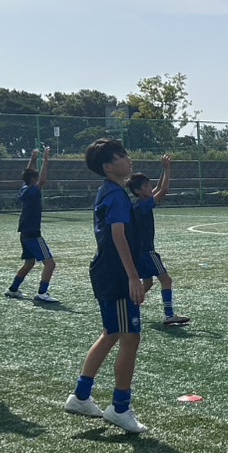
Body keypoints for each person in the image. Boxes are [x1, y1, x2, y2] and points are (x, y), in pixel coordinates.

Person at [66, 138, 149, 434]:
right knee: (130, 337)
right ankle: (120, 408)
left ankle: (81, 396)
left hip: (106, 271)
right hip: (116, 275)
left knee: (111, 333)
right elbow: (118, 236)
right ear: (108, 167)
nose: (129, 159)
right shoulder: (115, 195)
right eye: (121, 156)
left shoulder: (110, 191)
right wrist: (132, 276)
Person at [129, 156, 190, 327]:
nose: (150, 187)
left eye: (149, 185)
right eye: (146, 186)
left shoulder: (138, 204)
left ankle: (129, 305)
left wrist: (164, 169)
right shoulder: (143, 206)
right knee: (166, 280)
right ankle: (169, 315)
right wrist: (168, 169)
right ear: (138, 191)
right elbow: (163, 190)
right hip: (147, 251)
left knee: (148, 283)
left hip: (139, 252)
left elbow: (157, 189)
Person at [7, 147, 59, 304]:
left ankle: (13, 289)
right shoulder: (32, 191)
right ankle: (42, 293)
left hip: (24, 233)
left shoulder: (24, 188)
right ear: (33, 180)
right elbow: (42, 181)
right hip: (33, 234)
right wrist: (46, 160)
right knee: (50, 264)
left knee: (29, 263)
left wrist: (33, 158)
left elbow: (28, 173)